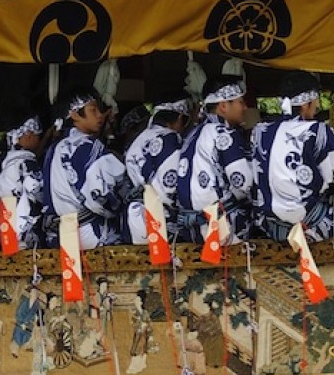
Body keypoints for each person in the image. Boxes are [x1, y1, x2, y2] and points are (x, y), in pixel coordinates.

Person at [253, 72, 334, 241]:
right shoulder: (318, 130)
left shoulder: (260, 132)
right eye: (315, 104)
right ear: (306, 104)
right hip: (310, 225)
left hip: (270, 228)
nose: (316, 109)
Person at [177, 77, 258, 245]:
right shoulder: (224, 134)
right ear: (223, 106)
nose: (245, 108)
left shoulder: (190, 134)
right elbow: (243, 184)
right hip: (222, 227)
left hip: (190, 230)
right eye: (240, 102)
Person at [45, 91, 127, 250]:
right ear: (75, 115)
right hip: (92, 233)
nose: (100, 116)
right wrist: (119, 208)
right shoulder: (89, 146)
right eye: (93, 110)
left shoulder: (53, 148)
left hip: (59, 236)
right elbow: (101, 194)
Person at [123, 99, 189, 246]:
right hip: (159, 215)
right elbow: (169, 186)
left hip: (134, 214)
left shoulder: (138, 139)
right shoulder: (170, 137)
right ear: (179, 118)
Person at [0, 116, 48, 251]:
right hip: (27, 232)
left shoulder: (5, 164)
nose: (38, 138)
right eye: (37, 135)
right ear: (28, 135)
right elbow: (38, 191)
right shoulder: (26, 163)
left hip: (9, 230)